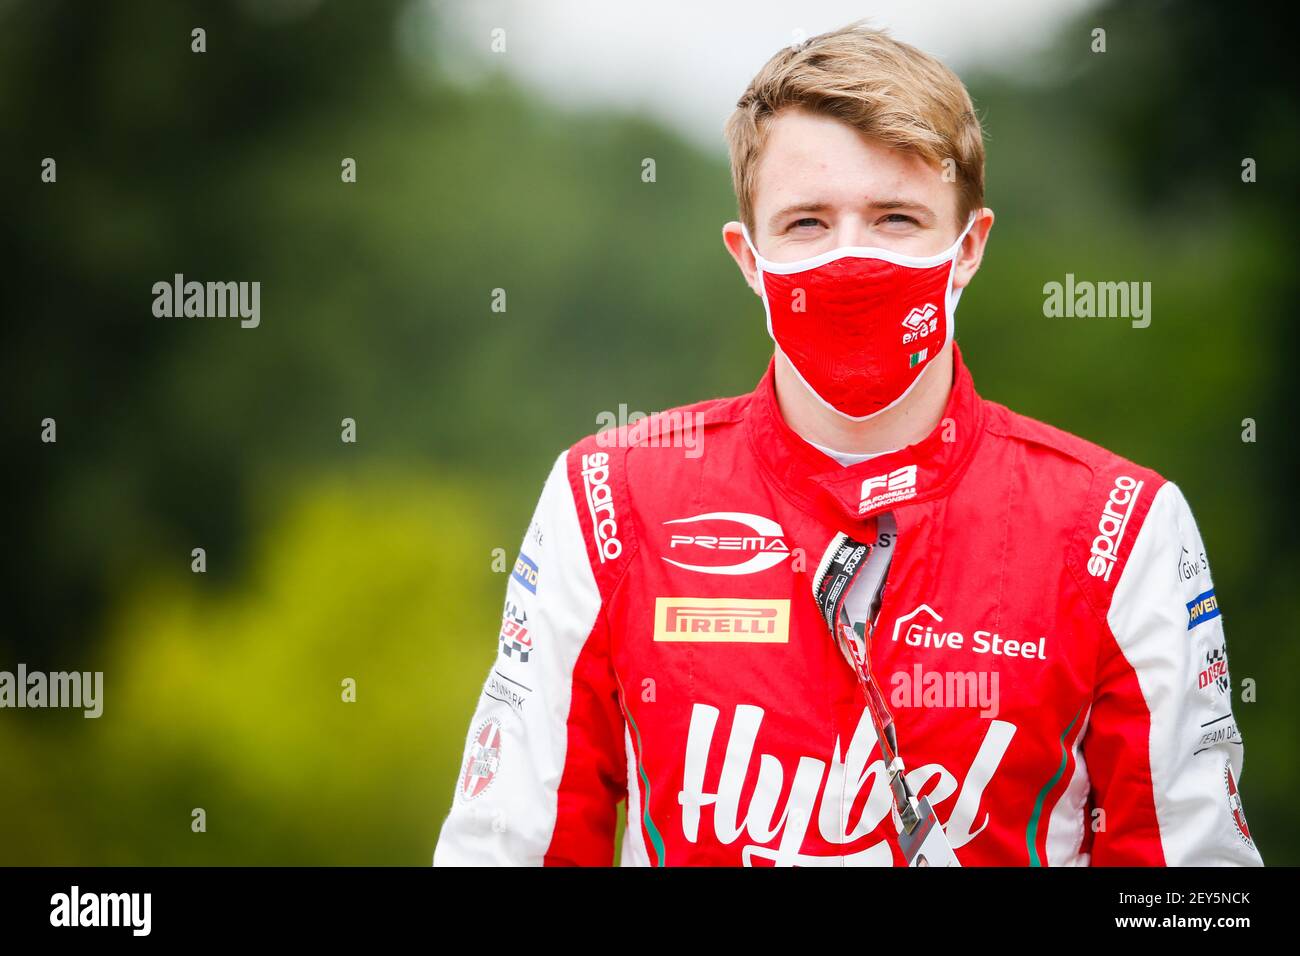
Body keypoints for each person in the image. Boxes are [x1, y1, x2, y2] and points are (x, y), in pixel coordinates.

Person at [433, 22, 1262, 867]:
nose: (850, 256)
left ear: (968, 247)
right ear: (749, 257)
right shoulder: (606, 501)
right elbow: (506, 851)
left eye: (896, 218)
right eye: (807, 223)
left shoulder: (1119, 529)